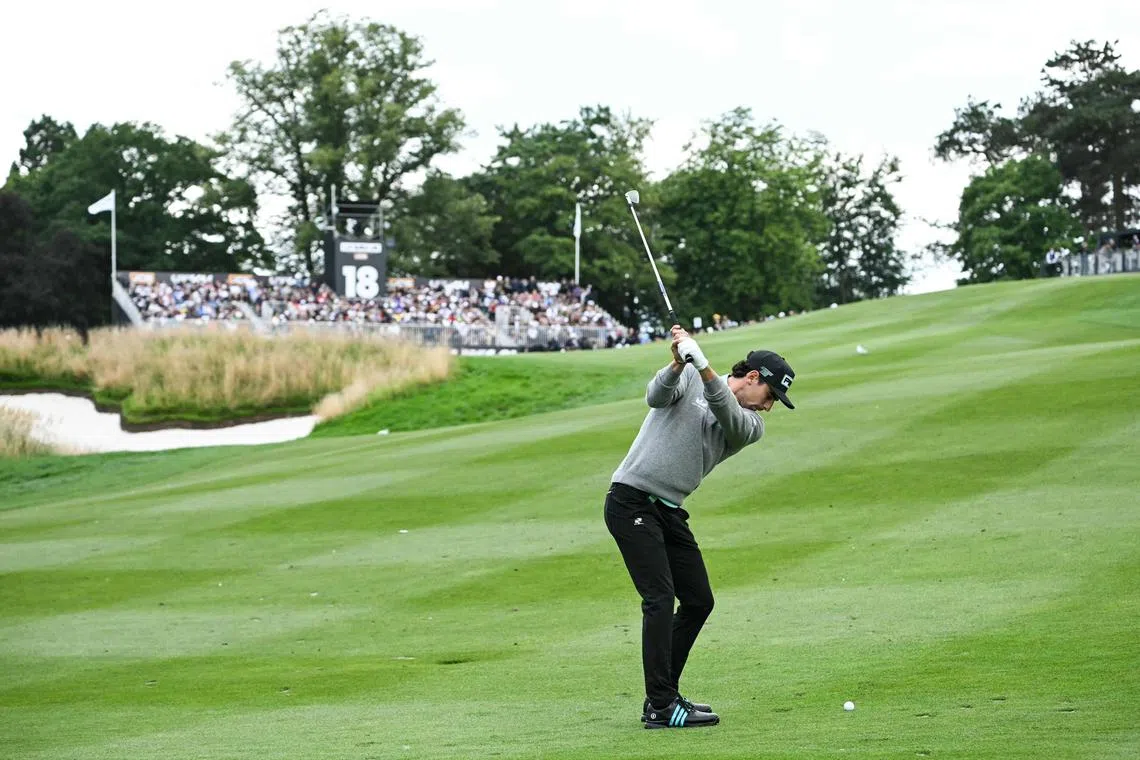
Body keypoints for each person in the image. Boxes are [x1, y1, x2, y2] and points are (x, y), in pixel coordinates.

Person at [604, 324, 796, 729]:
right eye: (771, 396)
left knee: (698, 600)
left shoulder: (749, 425)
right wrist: (677, 362)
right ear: (753, 378)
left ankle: (663, 697)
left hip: (669, 510)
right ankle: (661, 704)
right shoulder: (689, 375)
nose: (769, 407)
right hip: (631, 500)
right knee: (660, 597)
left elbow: (724, 408)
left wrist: (703, 365)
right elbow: (654, 397)